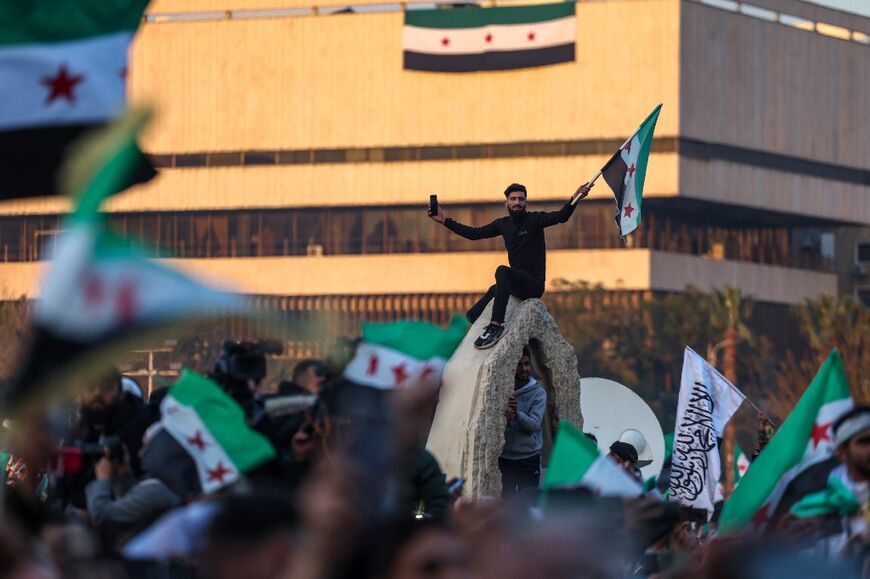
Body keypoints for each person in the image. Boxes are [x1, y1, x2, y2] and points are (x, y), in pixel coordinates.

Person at [428, 181, 593, 349]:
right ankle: (466, 334)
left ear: (525, 202)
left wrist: (576, 197)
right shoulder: (503, 224)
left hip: (533, 285)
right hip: (515, 283)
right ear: (506, 202)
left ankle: (496, 325)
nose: (517, 203)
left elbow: (561, 216)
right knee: (476, 310)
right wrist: (444, 220)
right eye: (513, 199)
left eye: (521, 199)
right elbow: (474, 234)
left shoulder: (535, 219)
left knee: (502, 271)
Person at [499, 347, 546, 497]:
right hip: (505, 459)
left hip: (528, 459)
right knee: (506, 506)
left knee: (528, 505)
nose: (524, 369)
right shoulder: (500, 390)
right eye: (519, 364)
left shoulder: (538, 394)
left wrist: (516, 412)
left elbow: (533, 425)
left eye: (527, 364)